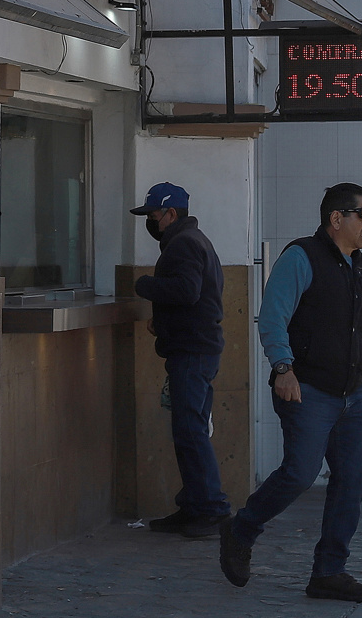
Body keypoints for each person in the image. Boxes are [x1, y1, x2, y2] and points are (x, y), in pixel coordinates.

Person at [219, 183, 362, 602]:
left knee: (351, 483)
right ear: (336, 219)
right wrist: (283, 368)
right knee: (300, 473)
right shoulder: (301, 257)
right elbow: (273, 315)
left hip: (352, 396)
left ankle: (329, 572)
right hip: (306, 389)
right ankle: (241, 529)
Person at [131, 182, 232, 537]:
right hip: (196, 347)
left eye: (154, 215)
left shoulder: (184, 244)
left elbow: (186, 291)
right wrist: (164, 322)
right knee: (190, 430)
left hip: (193, 351)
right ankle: (193, 505)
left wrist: (144, 285)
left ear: (171, 214)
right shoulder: (195, 241)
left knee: (190, 432)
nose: (151, 222)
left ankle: (210, 508)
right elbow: (196, 295)